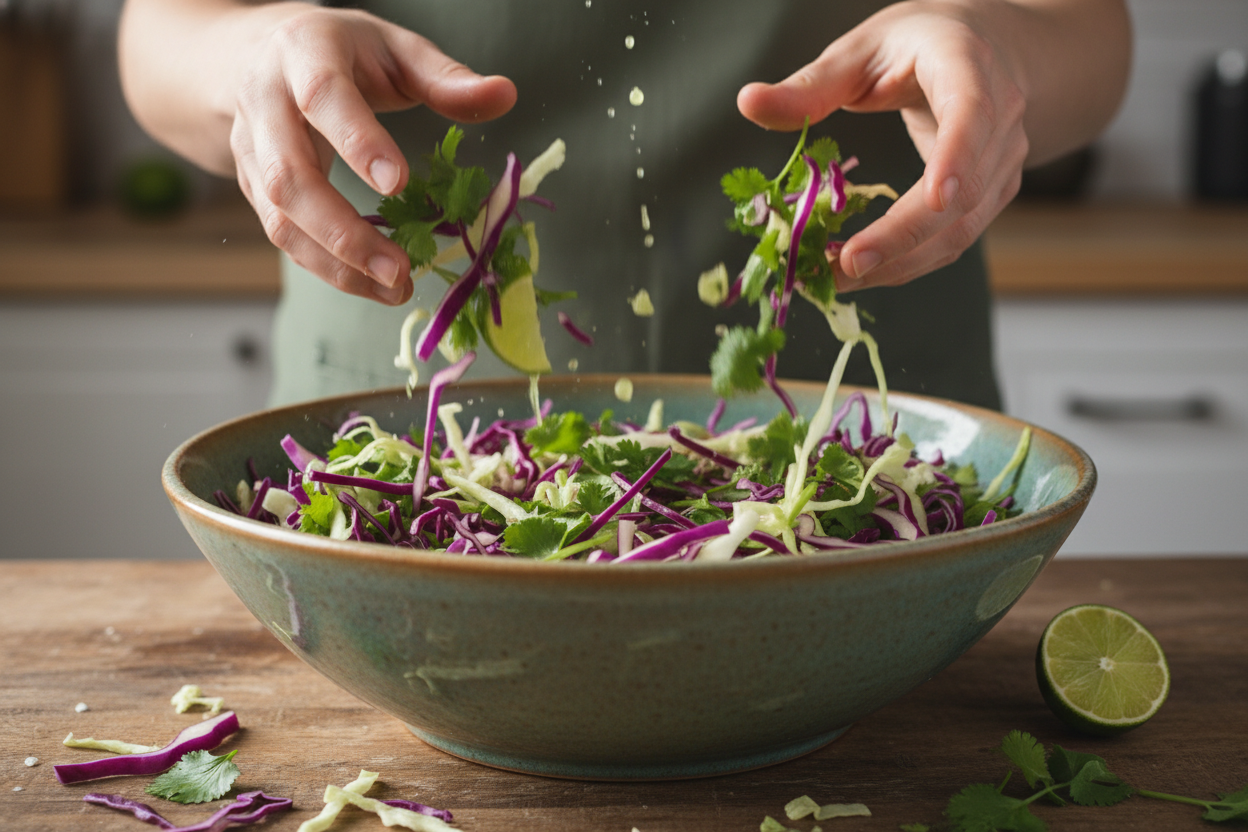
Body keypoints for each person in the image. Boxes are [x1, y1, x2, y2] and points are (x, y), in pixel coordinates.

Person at [118, 0, 1130, 409]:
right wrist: (250, 60)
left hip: (865, 419)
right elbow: (161, 37)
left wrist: (998, 52)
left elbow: (1094, 38)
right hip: (409, 414)